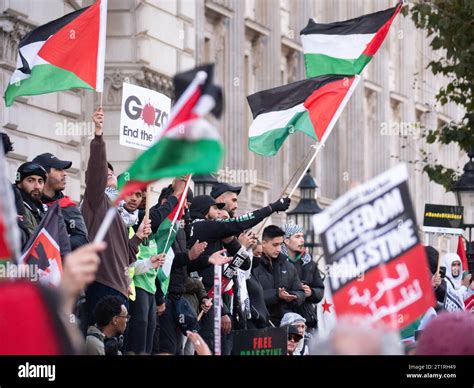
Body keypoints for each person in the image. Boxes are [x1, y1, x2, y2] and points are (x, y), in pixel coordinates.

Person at [187, 195, 290, 351]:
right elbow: (240, 222)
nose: (219, 214)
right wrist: (272, 207)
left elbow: (244, 264)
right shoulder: (203, 226)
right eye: (215, 208)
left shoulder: (209, 231)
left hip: (217, 302)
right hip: (207, 302)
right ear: (204, 210)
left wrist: (233, 243)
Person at [81, 107, 151, 324]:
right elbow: (95, 169)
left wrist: (138, 237)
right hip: (103, 285)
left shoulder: (118, 211)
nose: (109, 173)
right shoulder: (96, 200)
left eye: (112, 171)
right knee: (100, 341)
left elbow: (126, 257)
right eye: (106, 172)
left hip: (120, 287)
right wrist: (99, 135)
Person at [32, 153, 89, 251]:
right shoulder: (25, 202)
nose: (65, 173)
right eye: (58, 169)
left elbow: (81, 238)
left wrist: (51, 244)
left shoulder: (67, 205)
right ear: (44, 174)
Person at [253, 225, 305, 326]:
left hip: (287, 325)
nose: (278, 249)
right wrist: (277, 295)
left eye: (280, 244)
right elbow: (252, 296)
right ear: (264, 243)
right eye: (275, 245)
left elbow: (300, 293)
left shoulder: (288, 266)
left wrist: (294, 297)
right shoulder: (253, 265)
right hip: (261, 325)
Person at [281, 223, 324, 331]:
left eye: (302, 236)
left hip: (307, 321)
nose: (302, 240)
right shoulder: (278, 262)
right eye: (297, 236)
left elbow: (320, 290)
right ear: (286, 240)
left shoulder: (310, 263)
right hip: (284, 319)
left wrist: (311, 292)